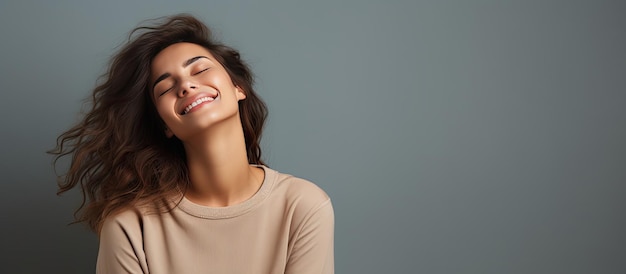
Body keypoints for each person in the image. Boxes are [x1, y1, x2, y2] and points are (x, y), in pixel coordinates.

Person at [50, 14, 334, 274]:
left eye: (199, 70)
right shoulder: (130, 225)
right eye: (165, 87)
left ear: (238, 88)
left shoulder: (302, 206)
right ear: (164, 125)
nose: (185, 86)